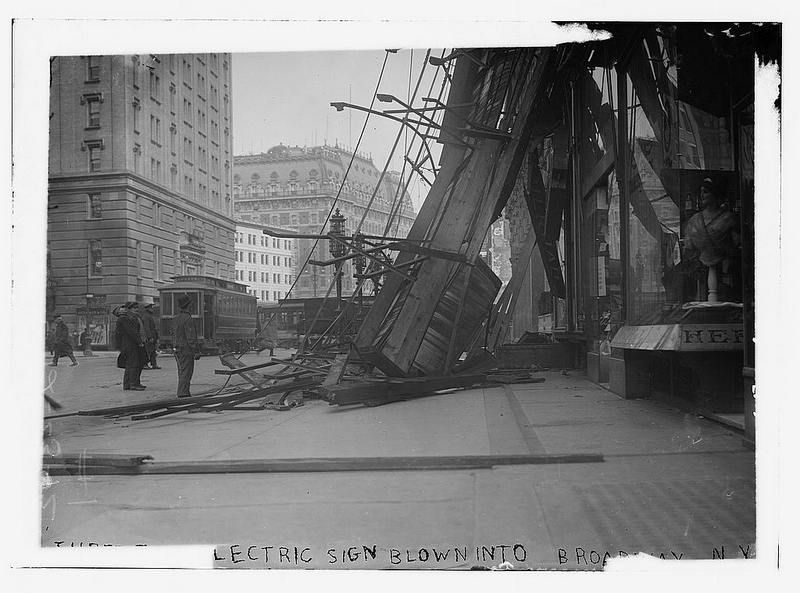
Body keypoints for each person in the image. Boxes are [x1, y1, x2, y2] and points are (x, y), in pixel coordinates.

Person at [683, 178, 740, 302]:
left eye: (706, 191)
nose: (702, 195)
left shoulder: (728, 218)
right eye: (701, 192)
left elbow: (736, 243)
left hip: (724, 271)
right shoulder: (694, 220)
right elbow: (689, 247)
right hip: (701, 275)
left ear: (715, 194)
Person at [172, 295, 200, 398]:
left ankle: (183, 391)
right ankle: (183, 393)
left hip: (177, 348)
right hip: (186, 349)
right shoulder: (188, 319)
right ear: (188, 305)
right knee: (186, 372)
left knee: (181, 370)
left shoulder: (176, 318)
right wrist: (196, 351)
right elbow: (191, 337)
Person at [114, 302, 147, 391]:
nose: (136, 309)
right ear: (128, 309)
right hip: (129, 344)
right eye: (134, 308)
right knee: (133, 364)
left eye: (136, 307)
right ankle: (133, 384)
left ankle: (129, 384)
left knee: (132, 364)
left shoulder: (133, 317)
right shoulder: (125, 318)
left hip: (131, 344)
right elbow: (131, 332)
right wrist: (139, 341)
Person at [142, 303, 161, 369]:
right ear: (147, 309)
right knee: (148, 351)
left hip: (153, 336)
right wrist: (150, 337)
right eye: (150, 308)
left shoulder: (149, 316)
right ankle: (145, 364)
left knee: (153, 351)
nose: (152, 309)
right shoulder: (146, 316)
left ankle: (154, 364)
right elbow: (147, 328)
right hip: (150, 337)